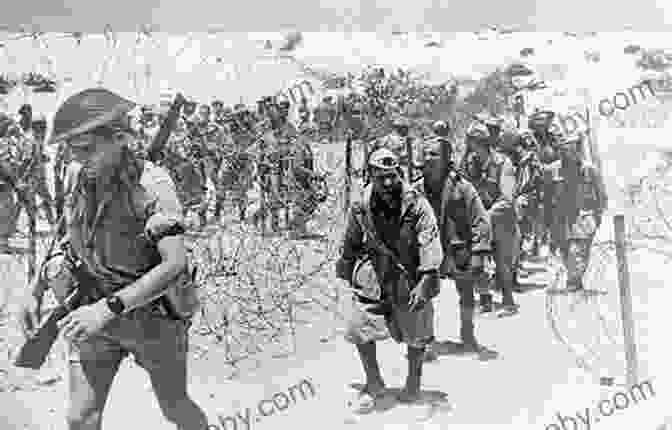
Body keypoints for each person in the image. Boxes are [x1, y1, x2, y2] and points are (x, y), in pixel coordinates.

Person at [17, 88, 207, 430]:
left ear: (120, 139)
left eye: (86, 149)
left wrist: (108, 310)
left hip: (152, 317)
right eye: (70, 150)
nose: (77, 159)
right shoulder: (79, 173)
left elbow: (174, 263)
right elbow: (67, 228)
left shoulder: (152, 185)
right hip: (90, 310)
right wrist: (35, 288)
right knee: (80, 418)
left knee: (175, 408)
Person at [336, 148, 442, 408]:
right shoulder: (361, 204)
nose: (387, 182)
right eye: (380, 176)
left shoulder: (416, 203)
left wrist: (427, 276)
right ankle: (374, 383)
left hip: (409, 271)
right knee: (358, 324)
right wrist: (345, 274)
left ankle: (413, 385)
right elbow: (350, 243)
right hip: (374, 271)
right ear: (370, 175)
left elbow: (429, 239)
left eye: (392, 176)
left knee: (417, 327)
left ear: (399, 174)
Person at [418, 132, 493, 360]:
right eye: (425, 154)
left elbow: (481, 220)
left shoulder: (464, 188)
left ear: (446, 160)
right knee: (423, 293)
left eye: (434, 154)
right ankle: (425, 340)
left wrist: (479, 251)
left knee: (466, 292)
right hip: (428, 251)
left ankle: (468, 333)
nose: (428, 158)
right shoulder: (415, 190)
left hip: (457, 249)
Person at [461, 122, 522, 316]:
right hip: (481, 221)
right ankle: (485, 300)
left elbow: (507, 199)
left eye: (474, 143)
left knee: (503, 265)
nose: (471, 147)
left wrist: (484, 216)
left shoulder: (503, 164)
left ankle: (508, 302)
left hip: (502, 221)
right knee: (476, 261)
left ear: (482, 143)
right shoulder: (468, 164)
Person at [553, 134, 608, 292]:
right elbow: (548, 197)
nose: (571, 153)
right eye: (567, 150)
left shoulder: (590, 170)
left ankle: (573, 282)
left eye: (575, 149)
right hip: (562, 219)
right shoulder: (554, 170)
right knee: (565, 252)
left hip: (584, 217)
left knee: (578, 252)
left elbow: (601, 195)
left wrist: (597, 218)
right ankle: (575, 280)